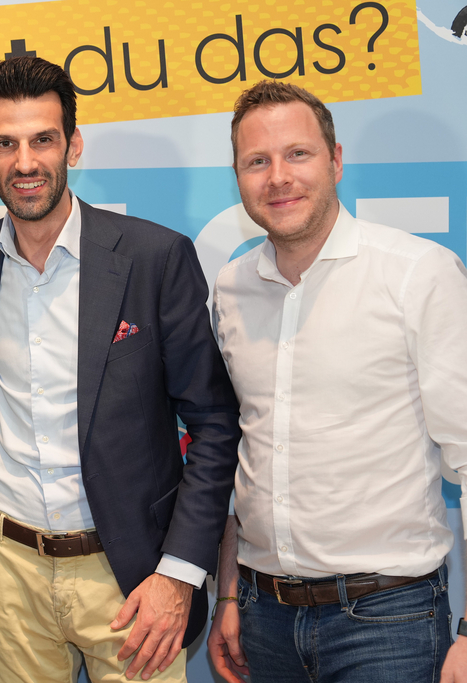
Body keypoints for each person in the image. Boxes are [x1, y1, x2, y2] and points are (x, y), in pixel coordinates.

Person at [0, 56, 241, 682]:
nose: (25, 162)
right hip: (10, 567)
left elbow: (216, 424)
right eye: (5, 143)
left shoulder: (155, 257)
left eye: (42, 140)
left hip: (131, 574)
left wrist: (179, 572)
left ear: (73, 145)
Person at [207, 80, 467, 683]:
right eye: (256, 161)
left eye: (297, 154)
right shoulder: (231, 288)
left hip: (390, 621)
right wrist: (229, 591)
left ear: (336, 160)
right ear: (238, 176)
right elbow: (245, 451)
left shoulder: (418, 275)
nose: (278, 177)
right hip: (262, 616)